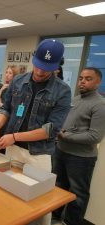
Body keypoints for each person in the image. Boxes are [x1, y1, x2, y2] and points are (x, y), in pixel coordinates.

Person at [0, 39, 71, 225]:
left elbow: (51, 130)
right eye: (38, 65)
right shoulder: (18, 81)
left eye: (46, 68)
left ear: (57, 66)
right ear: (34, 59)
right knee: (7, 194)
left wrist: (14, 136)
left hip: (39, 154)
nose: (40, 72)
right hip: (13, 149)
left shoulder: (63, 91)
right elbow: (6, 108)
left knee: (40, 205)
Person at [52, 67, 105, 225]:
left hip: (81, 159)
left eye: (88, 79)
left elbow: (95, 136)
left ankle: (71, 222)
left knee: (78, 194)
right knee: (58, 187)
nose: (82, 81)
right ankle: (54, 218)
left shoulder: (100, 105)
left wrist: (65, 135)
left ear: (98, 82)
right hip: (61, 151)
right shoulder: (75, 99)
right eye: (81, 78)